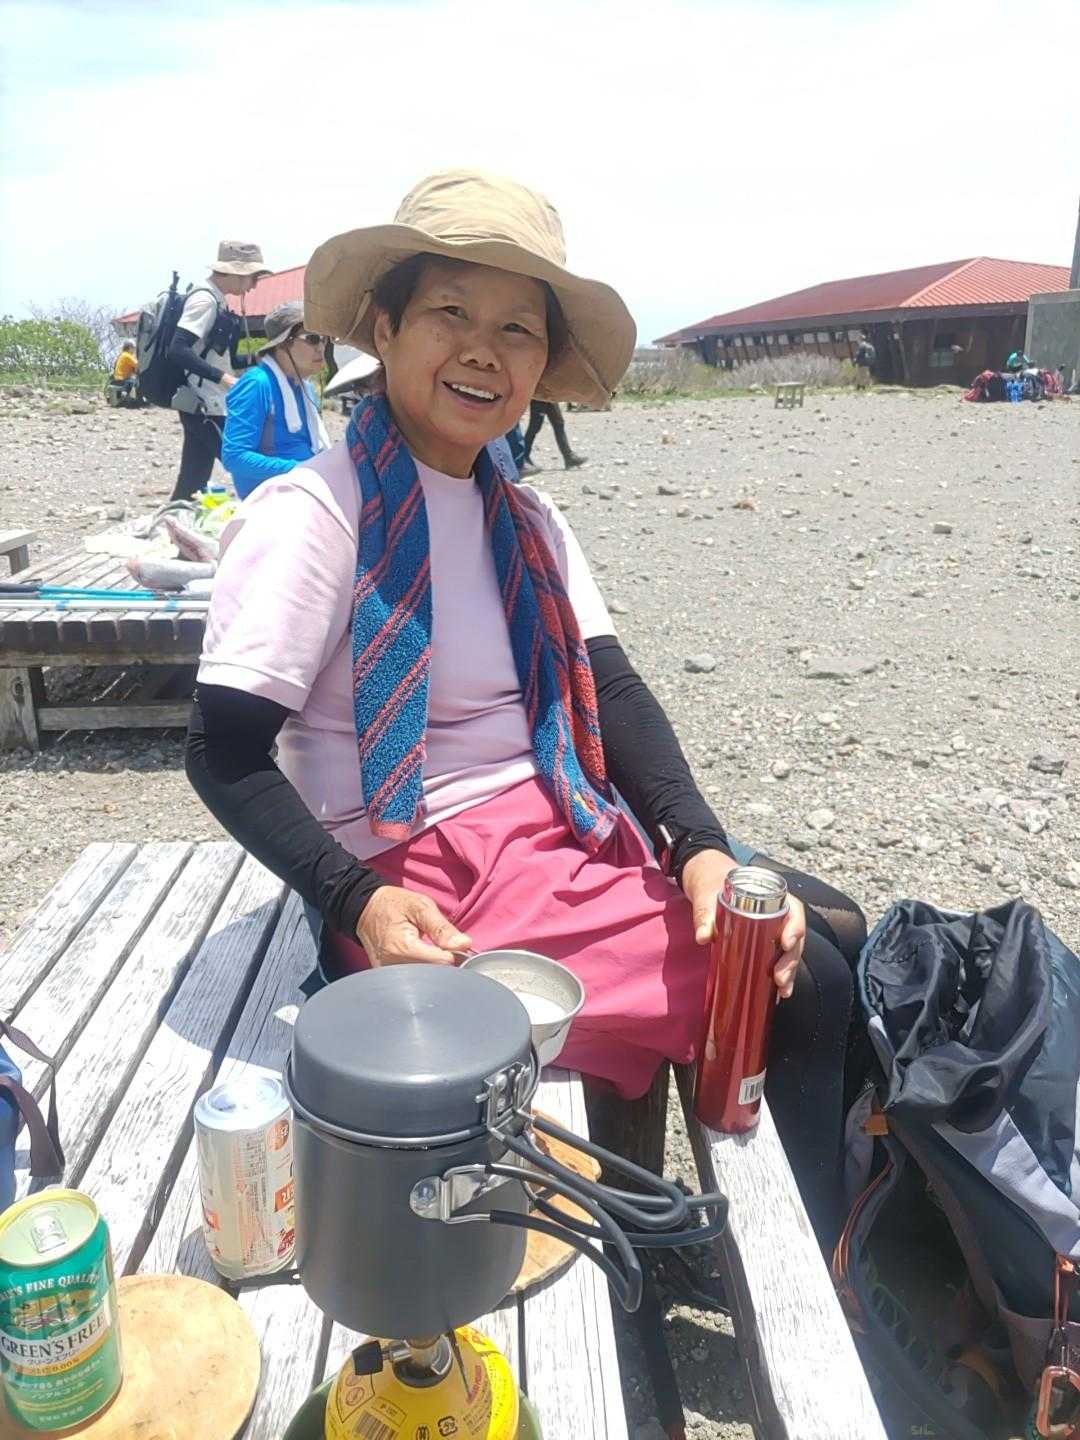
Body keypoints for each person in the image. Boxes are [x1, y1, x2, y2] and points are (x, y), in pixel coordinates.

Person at [186, 170, 867, 1244]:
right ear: (384, 327)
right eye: (451, 312)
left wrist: (697, 844)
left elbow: (615, 691)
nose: (483, 351)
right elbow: (221, 751)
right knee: (800, 981)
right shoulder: (316, 516)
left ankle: (686, 1223)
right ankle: (803, 1265)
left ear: (542, 364)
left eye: (517, 328)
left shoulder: (527, 517)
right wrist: (356, 901)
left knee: (831, 925)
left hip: (558, 820)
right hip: (419, 879)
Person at [169, 240, 270, 503]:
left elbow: (215, 355)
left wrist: (262, 358)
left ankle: (175, 523)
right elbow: (178, 349)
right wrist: (223, 379)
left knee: (192, 482)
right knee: (248, 466)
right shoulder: (205, 300)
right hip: (206, 404)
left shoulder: (216, 299)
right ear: (237, 272)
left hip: (202, 403)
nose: (254, 285)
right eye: (253, 277)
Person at [221, 302, 331, 500]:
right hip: (270, 500)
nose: (321, 347)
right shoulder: (257, 384)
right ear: (283, 344)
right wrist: (302, 469)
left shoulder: (305, 387)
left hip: (302, 489)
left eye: (324, 339)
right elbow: (234, 457)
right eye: (312, 339)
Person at [522, 399, 586, 471]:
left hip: (551, 396)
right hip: (540, 397)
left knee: (558, 423)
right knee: (535, 426)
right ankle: (523, 457)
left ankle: (569, 457)